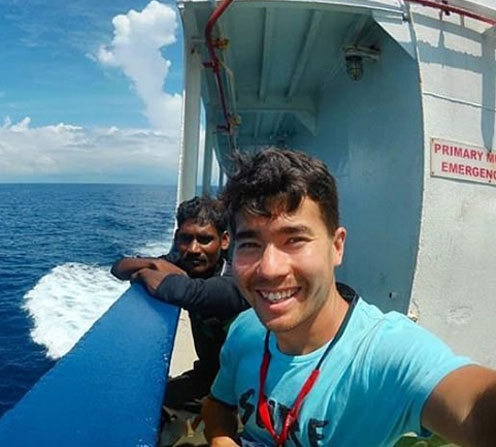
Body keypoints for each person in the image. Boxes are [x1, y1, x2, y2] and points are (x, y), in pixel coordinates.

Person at [202, 148, 496, 447]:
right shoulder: (246, 328)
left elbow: (474, 408)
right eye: (250, 244)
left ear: (337, 246)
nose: (269, 268)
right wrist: (221, 438)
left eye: (294, 240)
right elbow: (218, 405)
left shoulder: (385, 353)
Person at [111, 196, 249, 433]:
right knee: (142, 400)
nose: (194, 249)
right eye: (186, 238)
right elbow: (119, 268)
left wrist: (146, 273)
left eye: (205, 239)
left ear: (225, 241)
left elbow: (186, 291)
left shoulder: (235, 282)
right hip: (207, 376)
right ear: (176, 239)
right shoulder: (185, 263)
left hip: (243, 389)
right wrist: (153, 264)